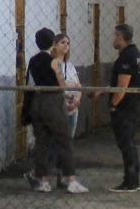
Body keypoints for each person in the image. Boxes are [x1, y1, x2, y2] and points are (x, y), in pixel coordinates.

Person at [22, 28, 81, 193]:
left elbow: (30, 84)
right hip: (53, 102)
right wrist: (72, 86)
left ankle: (42, 180)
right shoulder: (53, 61)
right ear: (53, 42)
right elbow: (60, 85)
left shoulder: (33, 60)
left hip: (37, 102)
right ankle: (70, 179)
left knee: (42, 143)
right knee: (64, 140)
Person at [108, 23, 140, 192]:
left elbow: (122, 86)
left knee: (126, 144)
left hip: (124, 108)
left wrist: (113, 105)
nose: (113, 39)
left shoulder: (126, 57)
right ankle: (132, 179)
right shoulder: (138, 55)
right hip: (135, 105)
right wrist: (102, 91)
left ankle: (130, 181)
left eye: (115, 36)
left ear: (121, 38)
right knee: (129, 143)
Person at [52, 32, 89, 193]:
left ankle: (62, 176)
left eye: (68, 43)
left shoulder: (70, 65)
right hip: (61, 108)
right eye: (62, 42)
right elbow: (59, 87)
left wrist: (77, 100)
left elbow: (78, 85)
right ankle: (63, 175)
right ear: (55, 45)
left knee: (68, 143)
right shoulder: (54, 64)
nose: (66, 46)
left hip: (73, 108)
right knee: (62, 144)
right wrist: (66, 100)